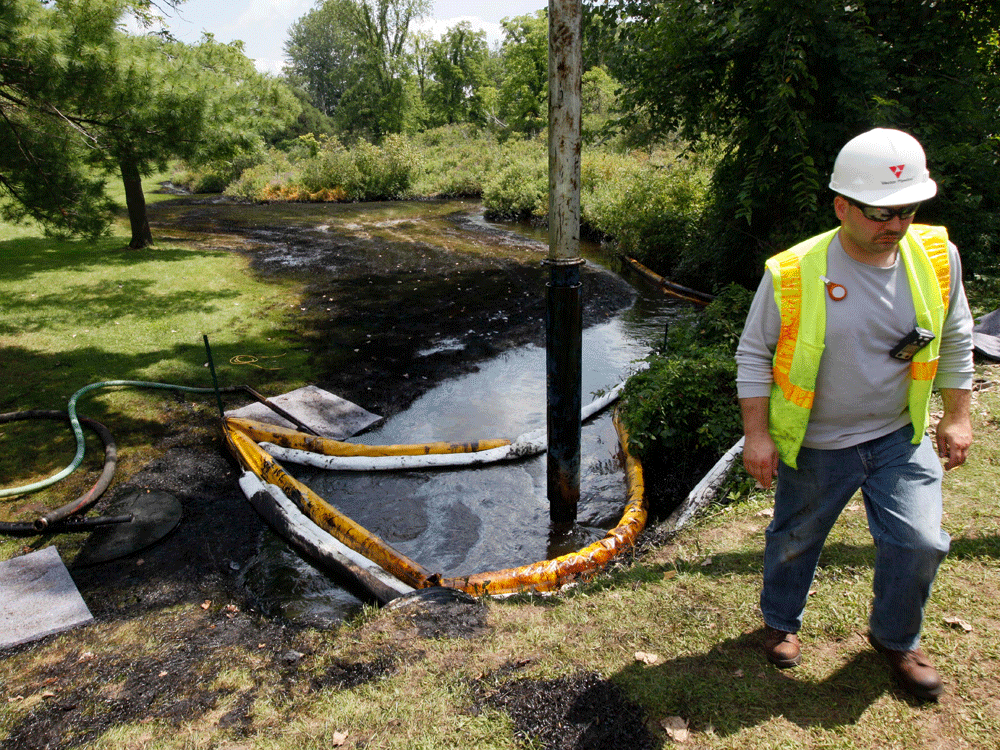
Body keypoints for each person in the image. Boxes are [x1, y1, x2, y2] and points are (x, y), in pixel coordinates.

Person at [735, 128, 974, 701]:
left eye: (907, 210)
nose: (895, 225)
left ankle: (896, 639)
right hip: (818, 442)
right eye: (879, 212)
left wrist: (957, 415)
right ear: (842, 206)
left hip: (899, 434)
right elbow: (752, 352)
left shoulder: (937, 258)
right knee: (795, 537)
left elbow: (958, 335)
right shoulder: (794, 273)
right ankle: (780, 622)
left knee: (919, 541)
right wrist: (757, 435)